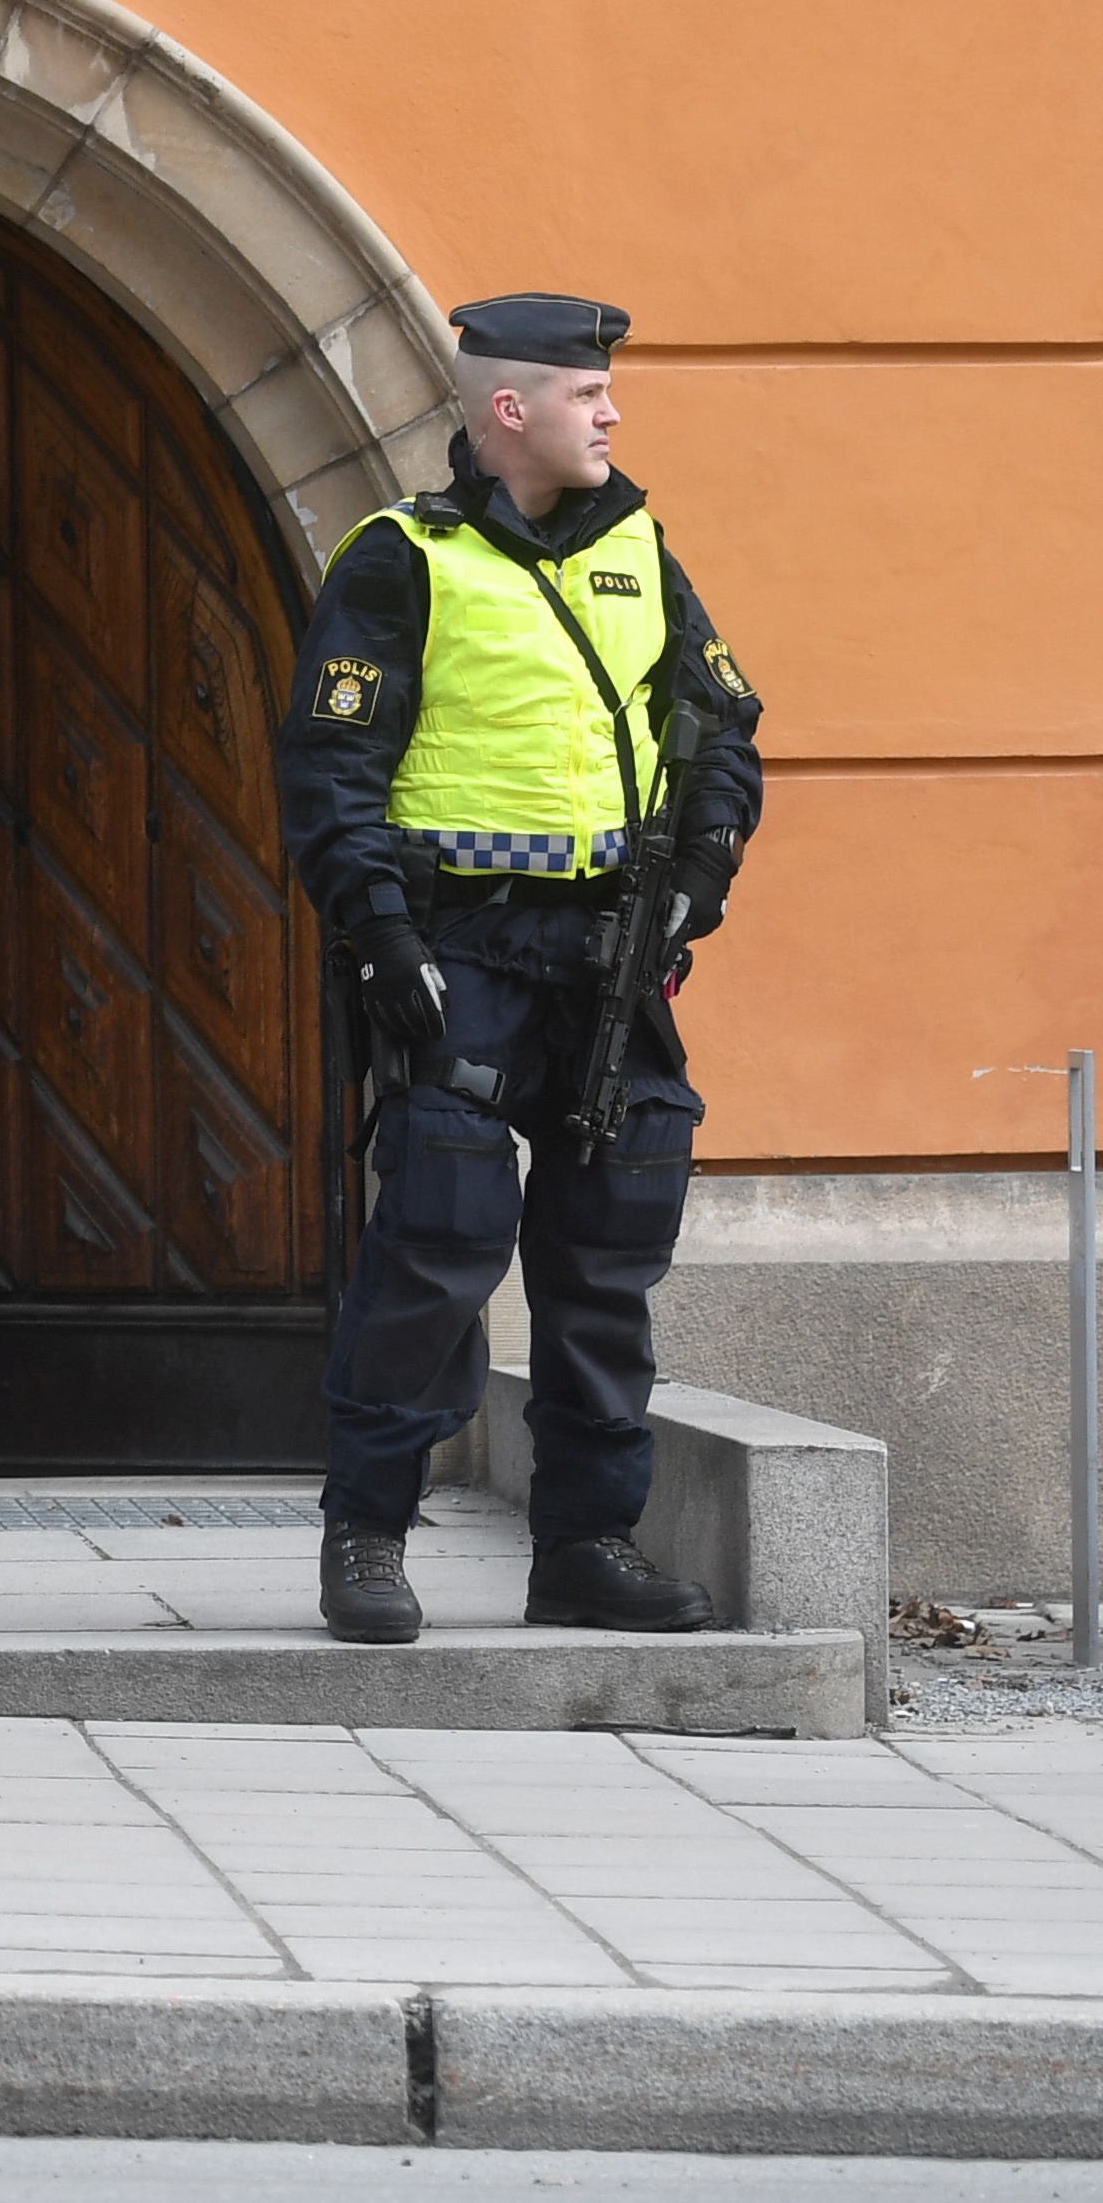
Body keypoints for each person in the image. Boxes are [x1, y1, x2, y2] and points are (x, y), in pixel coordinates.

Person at [282, 293, 766, 1648]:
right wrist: (379, 938)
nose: (611, 412)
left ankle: (586, 1548)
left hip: (612, 959)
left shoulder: (641, 553)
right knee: (434, 1251)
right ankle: (368, 1536)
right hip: (463, 952)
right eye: (585, 394)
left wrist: (702, 871)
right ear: (511, 410)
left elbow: (725, 722)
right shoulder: (401, 563)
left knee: (603, 1263)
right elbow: (331, 771)